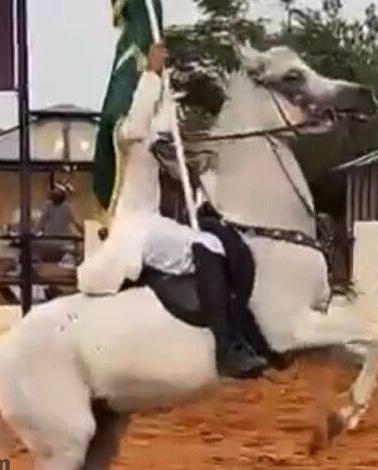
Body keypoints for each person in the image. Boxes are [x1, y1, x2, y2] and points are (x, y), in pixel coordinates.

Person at [78, 42, 266, 378]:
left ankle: (243, 329)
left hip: (154, 221)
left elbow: (163, 132)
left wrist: (167, 90)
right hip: (133, 229)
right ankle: (224, 348)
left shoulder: (153, 137)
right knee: (206, 247)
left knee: (226, 241)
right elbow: (138, 126)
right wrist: (151, 75)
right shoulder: (122, 133)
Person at [34, 183, 81, 263]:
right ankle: (68, 259)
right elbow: (76, 224)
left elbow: (39, 224)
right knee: (74, 245)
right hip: (64, 243)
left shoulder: (48, 206)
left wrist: (34, 234)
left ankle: (37, 259)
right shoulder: (67, 207)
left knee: (33, 244)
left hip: (48, 243)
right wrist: (83, 233)